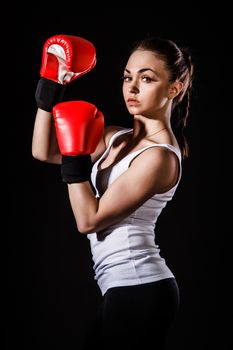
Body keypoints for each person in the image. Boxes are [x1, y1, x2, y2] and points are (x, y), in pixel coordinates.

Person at [32, 34, 194, 349]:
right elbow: (43, 150)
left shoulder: (159, 156)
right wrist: (50, 87)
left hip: (142, 289)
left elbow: (89, 220)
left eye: (146, 79)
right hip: (121, 290)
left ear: (174, 88)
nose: (131, 88)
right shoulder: (114, 138)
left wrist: (76, 161)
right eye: (127, 77)